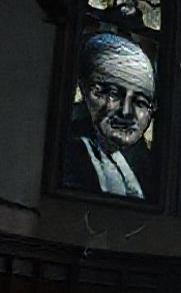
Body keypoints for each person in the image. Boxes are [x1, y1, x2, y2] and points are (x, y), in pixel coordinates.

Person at [62, 33, 155, 199]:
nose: (126, 112)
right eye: (113, 94)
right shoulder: (68, 151)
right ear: (85, 90)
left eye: (140, 102)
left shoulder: (144, 162)